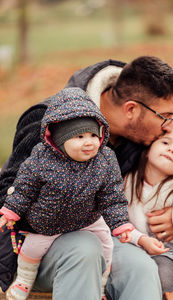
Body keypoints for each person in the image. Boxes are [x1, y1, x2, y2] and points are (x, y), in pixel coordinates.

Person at [0, 56, 173, 300]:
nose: (170, 127)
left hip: (104, 233)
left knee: (140, 268)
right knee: (84, 248)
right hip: (37, 240)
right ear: (131, 109)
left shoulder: (145, 129)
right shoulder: (50, 121)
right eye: (166, 117)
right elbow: (9, 191)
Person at [0, 87, 133, 300]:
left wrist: (120, 223)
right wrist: (11, 211)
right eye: (79, 136)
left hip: (87, 218)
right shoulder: (42, 159)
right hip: (47, 222)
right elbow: (24, 188)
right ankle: (24, 280)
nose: (89, 142)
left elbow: (112, 196)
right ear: (60, 141)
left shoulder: (105, 160)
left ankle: (100, 285)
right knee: (31, 250)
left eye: (92, 135)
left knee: (106, 245)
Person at [124, 124, 173, 299]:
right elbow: (120, 220)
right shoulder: (128, 181)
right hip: (158, 252)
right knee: (160, 278)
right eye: (165, 142)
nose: (171, 150)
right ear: (147, 149)